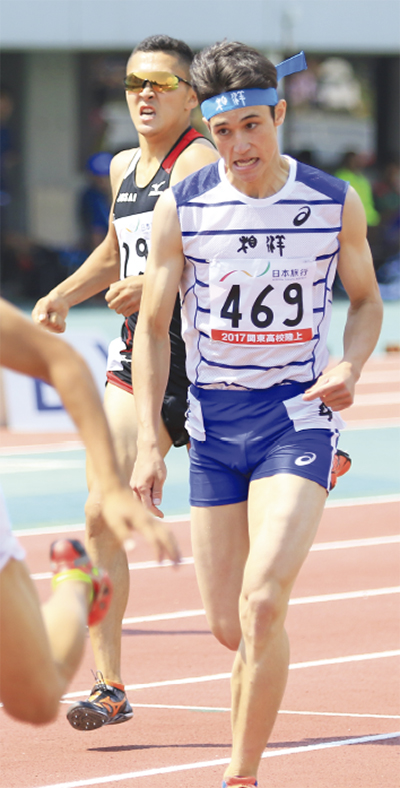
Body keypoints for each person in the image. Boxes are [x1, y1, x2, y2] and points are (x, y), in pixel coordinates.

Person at [131, 42, 383, 788]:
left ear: (279, 114)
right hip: (213, 429)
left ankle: (240, 775)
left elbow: (367, 302)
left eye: (252, 126)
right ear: (208, 131)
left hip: (296, 419)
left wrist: (349, 365)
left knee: (265, 601)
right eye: (223, 132)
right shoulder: (185, 205)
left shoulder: (333, 201)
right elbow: (153, 329)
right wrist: (150, 439)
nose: (240, 146)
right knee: (229, 624)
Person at [31, 34, 218, 729]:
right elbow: (116, 251)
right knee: (99, 512)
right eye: (135, 82)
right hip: (139, 357)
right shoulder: (120, 167)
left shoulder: (199, 161)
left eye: (160, 84)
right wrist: (63, 293)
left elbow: (223, 249)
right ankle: (109, 685)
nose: (144, 94)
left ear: (190, 98)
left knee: (239, 552)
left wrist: (158, 282)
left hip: (211, 365)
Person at [0, 297, 179, 725]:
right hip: (148, 364)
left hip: (215, 368)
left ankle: (78, 588)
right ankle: (107, 675)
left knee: (36, 701)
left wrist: (113, 490)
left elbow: (59, 359)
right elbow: (109, 260)